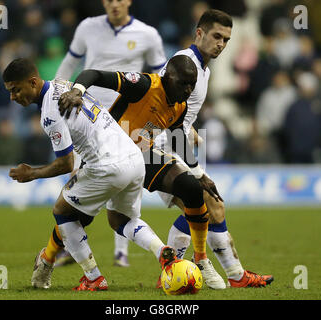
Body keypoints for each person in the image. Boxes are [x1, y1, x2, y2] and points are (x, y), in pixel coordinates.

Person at [3, 58, 177, 291]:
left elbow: (65, 164)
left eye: (15, 90)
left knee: (62, 212)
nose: (13, 97)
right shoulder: (63, 84)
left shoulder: (49, 114)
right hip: (134, 158)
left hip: (106, 166)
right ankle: (162, 251)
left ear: (33, 82)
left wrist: (32, 173)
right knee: (121, 220)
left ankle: (93, 278)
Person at [59, 54, 226, 289]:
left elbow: (177, 138)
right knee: (79, 218)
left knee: (191, 188)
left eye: (192, 84)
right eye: (184, 83)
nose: (189, 89)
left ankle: (201, 260)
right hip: (107, 155)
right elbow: (94, 75)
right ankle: (48, 258)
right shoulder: (143, 85)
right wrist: (77, 90)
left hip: (141, 154)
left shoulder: (180, 105)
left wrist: (199, 174)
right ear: (168, 76)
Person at [154, 9, 274, 288]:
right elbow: (166, 119)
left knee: (210, 209)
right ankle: (187, 273)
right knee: (204, 206)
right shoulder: (185, 64)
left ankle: (226, 275)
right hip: (159, 146)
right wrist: (196, 170)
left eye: (226, 40)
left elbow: (172, 109)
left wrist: (189, 128)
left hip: (171, 142)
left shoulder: (202, 68)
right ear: (199, 33)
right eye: (216, 36)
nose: (221, 44)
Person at [55, 0, 167, 267]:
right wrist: (55, 96)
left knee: (127, 178)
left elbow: (162, 76)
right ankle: (72, 246)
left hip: (128, 118)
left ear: (129, 1)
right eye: (109, 0)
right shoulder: (87, 28)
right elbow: (69, 64)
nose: (114, 4)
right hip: (89, 117)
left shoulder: (147, 34)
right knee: (81, 179)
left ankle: (120, 253)